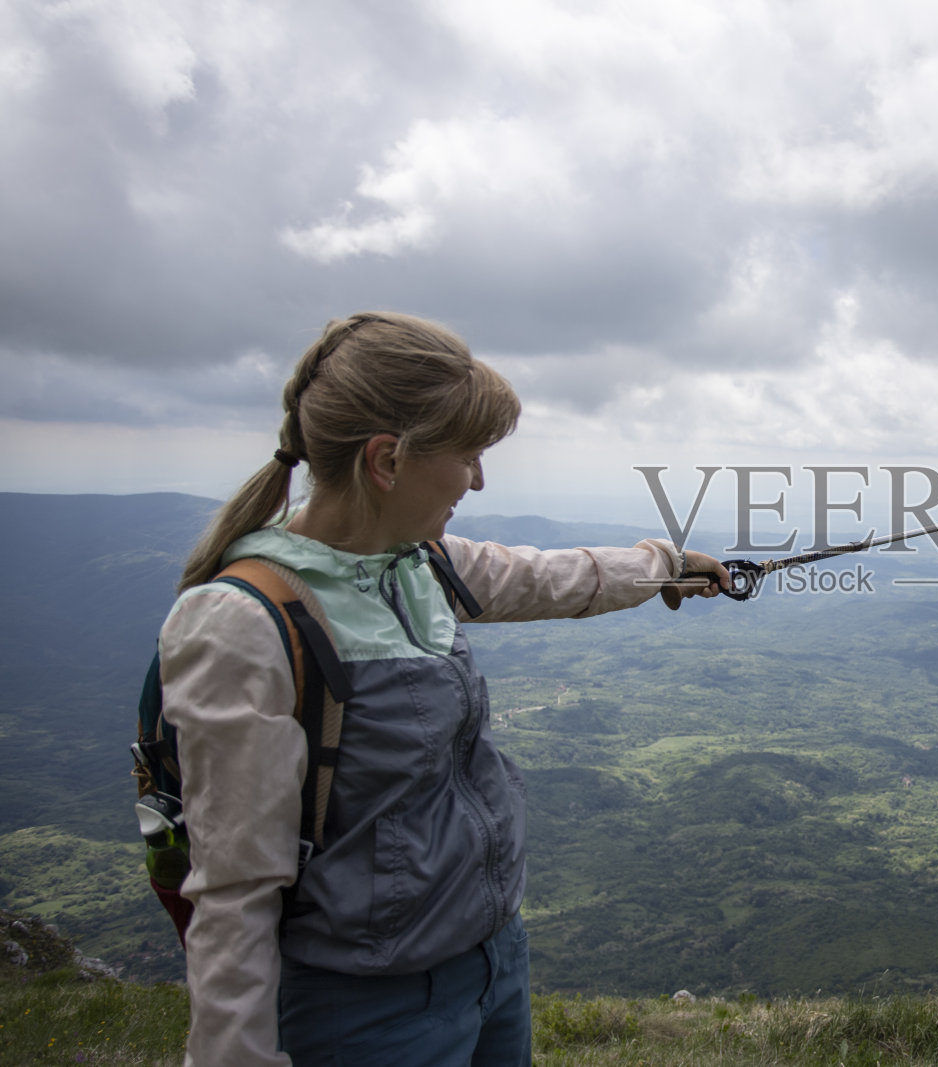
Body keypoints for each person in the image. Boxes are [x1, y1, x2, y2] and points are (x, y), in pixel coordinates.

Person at [159, 311, 728, 1066]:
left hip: (492, 963)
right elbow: (235, 891)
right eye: (469, 455)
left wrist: (665, 566)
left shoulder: (418, 562)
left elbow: (549, 577)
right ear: (387, 460)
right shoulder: (246, 622)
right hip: (369, 1011)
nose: (479, 479)